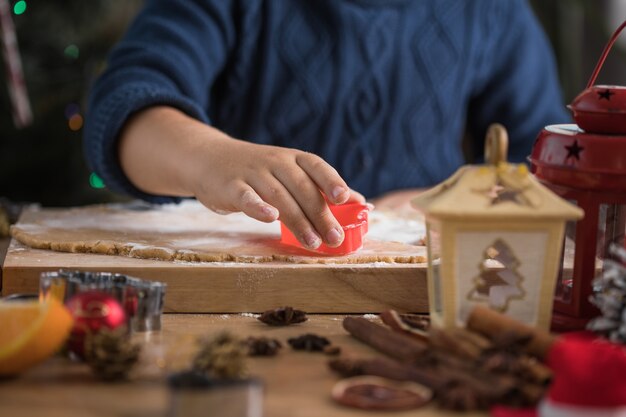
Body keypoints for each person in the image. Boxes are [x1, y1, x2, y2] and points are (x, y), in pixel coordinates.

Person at [84, 0, 568, 251]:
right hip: (247, 276)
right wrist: (210, 158)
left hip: (422, 290)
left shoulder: (492, 10)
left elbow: (550, 162)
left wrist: (462, 196)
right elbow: (124, 110)